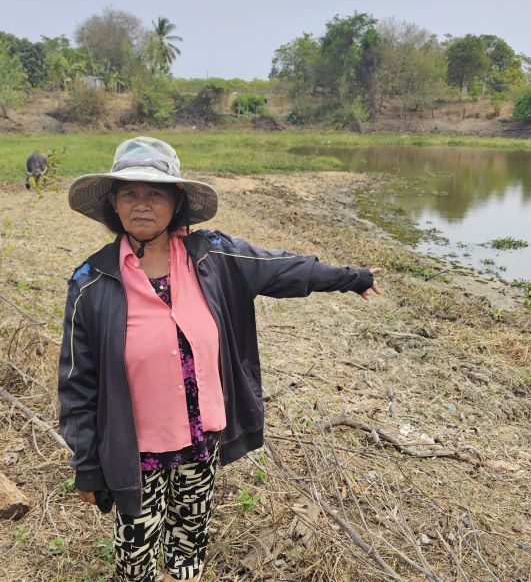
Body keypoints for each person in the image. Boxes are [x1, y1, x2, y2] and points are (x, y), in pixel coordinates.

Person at [58, 136, 380, 582]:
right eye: (130, 193)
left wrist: (350, 278)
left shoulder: (211, 256)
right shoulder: (91, 281)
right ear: (114, 203)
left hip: (198, 437)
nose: (142, 204)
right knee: (135, 555)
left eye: (155, 192)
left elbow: (281, 268)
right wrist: (87, 465)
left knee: (189, 540)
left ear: (176, 202)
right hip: (135, 448)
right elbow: (77, 382)